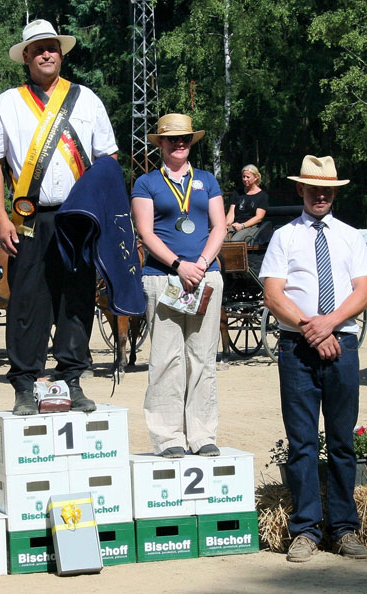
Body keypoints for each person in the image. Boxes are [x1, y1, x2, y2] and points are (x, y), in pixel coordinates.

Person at [0, 19, 118, 415]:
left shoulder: (87, 99)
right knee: (27, 301)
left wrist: (103, 212)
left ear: (61, 53)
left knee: (76, 297)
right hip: (27, 218)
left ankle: (72, 378)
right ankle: (25, 383)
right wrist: (1, 219)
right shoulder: (5, 103)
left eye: (52, 47)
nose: (46, 53)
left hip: (78, 216)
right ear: (25, 56)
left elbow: (108, 159)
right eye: (38, 48)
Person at [259, 155, 367, 562]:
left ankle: (345, 529)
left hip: (341, 345)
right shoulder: (283, 237)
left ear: (335, 192)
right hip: (297, 349)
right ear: (301, 190)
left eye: (328, 189)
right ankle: (305, 529)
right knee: (302, 443)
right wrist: (313, 327)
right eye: (314, 188)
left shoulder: (350, 237)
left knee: (343, 441)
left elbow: (363, 292)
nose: (321, 194)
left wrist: (329, 324)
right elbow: (274, 295)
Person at [131, 113, 226, 458]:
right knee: (166, 359)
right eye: (172, 139)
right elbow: (146, 232)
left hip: (205, 276)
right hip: (163, 278)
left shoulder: (207, 181)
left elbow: (219, 227)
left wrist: (200, 264)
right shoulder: (146, 184)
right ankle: (169, 436)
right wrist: (178, 265)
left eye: (185, 138)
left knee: (202, 358)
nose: (180, 144)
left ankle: (202, 434)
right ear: (161, 144)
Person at [225, 164, 269, 244]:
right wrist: (225, 225)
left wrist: (242, 225)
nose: (245, 179)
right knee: (219, 239)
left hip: (251, 226)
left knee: (235, 242)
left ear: (256, 177)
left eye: (248, 177)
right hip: (235, 225)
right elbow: (231, 213)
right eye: (243, 177)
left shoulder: (262, 196)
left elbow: (259, 217)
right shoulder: (237, 193)